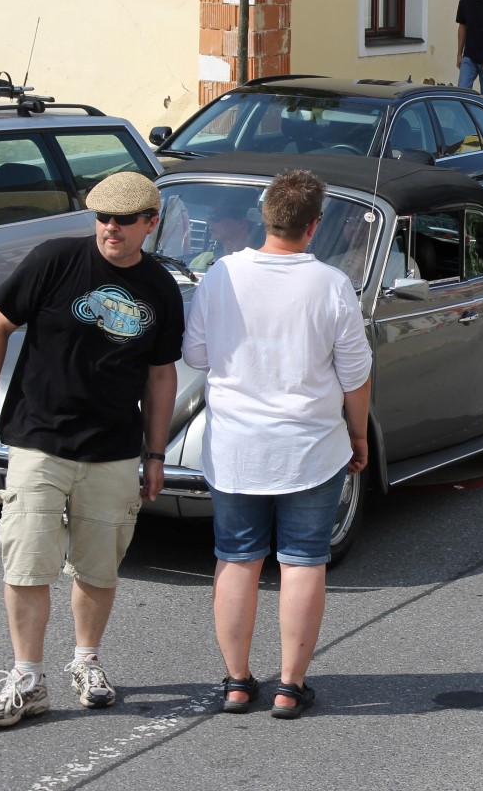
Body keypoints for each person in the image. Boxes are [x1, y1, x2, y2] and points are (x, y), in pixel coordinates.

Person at [0, 171, 183, 729]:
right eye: (102, 217)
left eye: (124, 220)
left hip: (112, 449)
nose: (110, 229)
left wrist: (155, 455)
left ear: (149, 224)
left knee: (97, 567)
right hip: (40, 438)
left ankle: (86, 661)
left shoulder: (159, 287)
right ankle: (27, 677)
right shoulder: (54, 260)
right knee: (28, 561)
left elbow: (161, 378)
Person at [183, 170, 373, 720]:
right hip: (311, 447)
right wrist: (357, 435)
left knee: (237, 558)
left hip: (237, 447)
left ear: (263, 217)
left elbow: (196, 355)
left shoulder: (221, 274)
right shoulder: (332, 285)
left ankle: (238, 682)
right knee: (303, 561)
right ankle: (290, 686)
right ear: (314, 226)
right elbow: (355, 376)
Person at [190, 207, 250, 271]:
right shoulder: (200, 261)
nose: (208, 221)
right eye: (208, 216)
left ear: (241, 222)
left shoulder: (256, 264)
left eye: (216, 216)